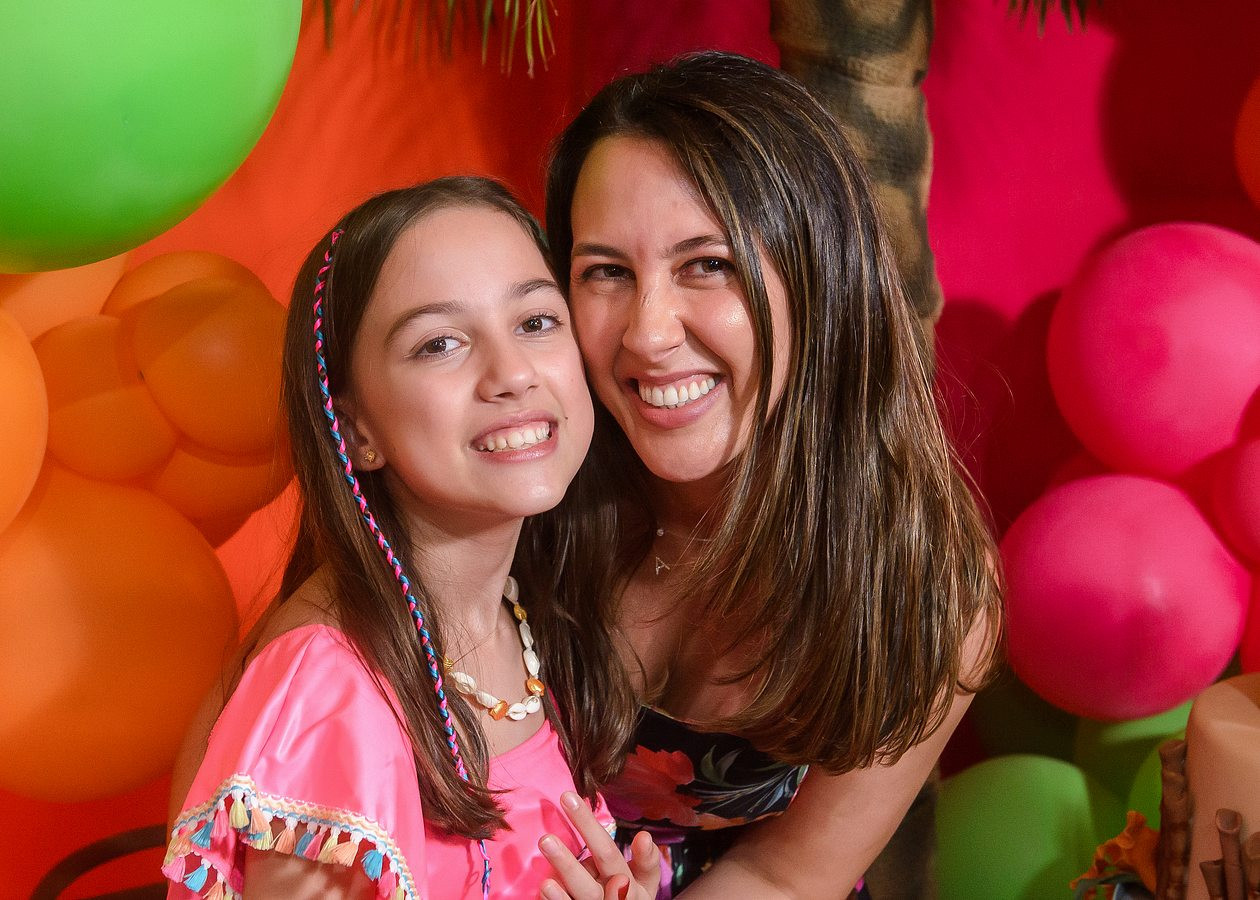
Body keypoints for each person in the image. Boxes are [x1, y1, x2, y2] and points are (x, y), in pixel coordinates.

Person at [532, 52, 1004, 898]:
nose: (647, 333)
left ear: (820, 274)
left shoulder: (923, 584)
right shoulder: (521, 487)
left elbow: (787, 875)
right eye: (606, 272)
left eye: (707, 264)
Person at [162, 177, 659, 900]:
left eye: (535, 321)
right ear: (356, 428)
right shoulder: (329, 696)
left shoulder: (519, 613)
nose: (513, 374)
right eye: (440, 344)